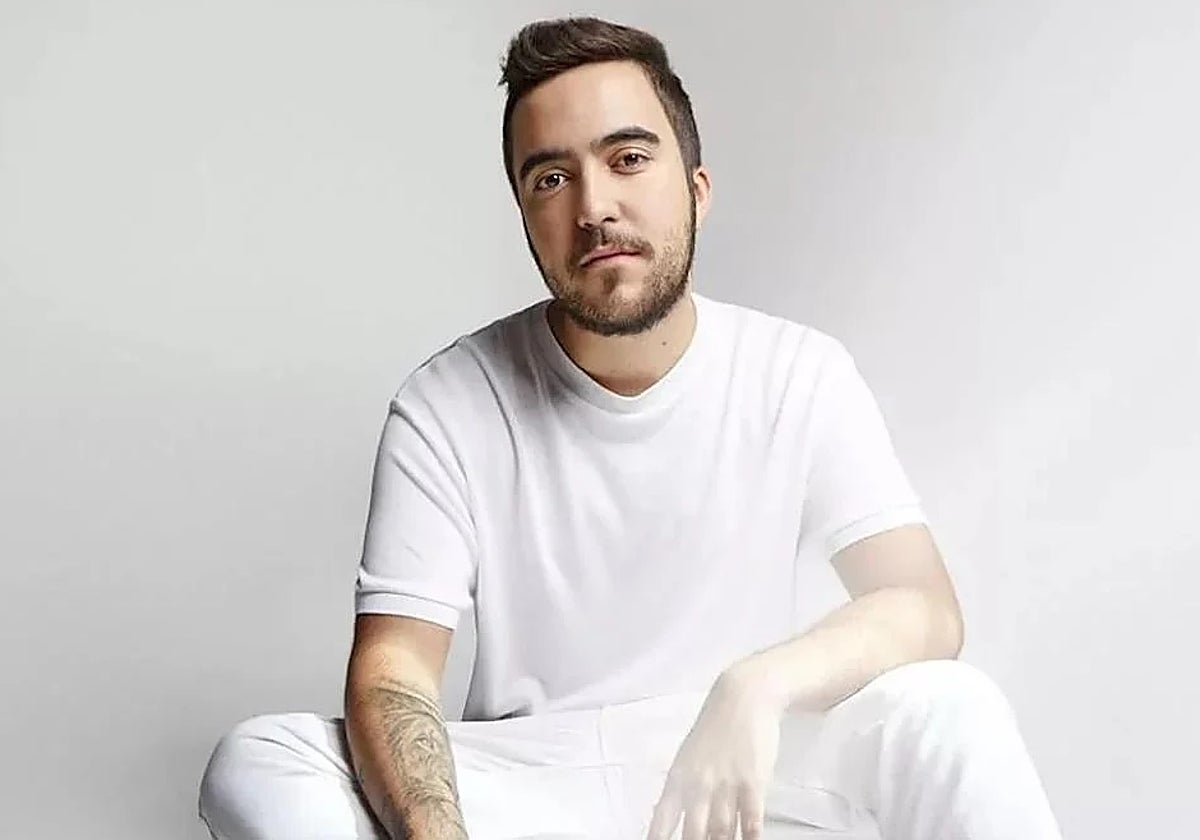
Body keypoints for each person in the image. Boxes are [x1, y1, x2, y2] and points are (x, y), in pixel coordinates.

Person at [198, 16, 1063, 840]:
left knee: (955, 706)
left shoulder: (797, 372)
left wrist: (756, 688)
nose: (594, 206)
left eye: (628, 158)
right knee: (260, 758)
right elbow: (394, 670)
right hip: (537, 782)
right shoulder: (447, 404)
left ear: (696, 190)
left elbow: (921, 604)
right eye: (551, 178)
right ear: (526, 217)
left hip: (735, 781)